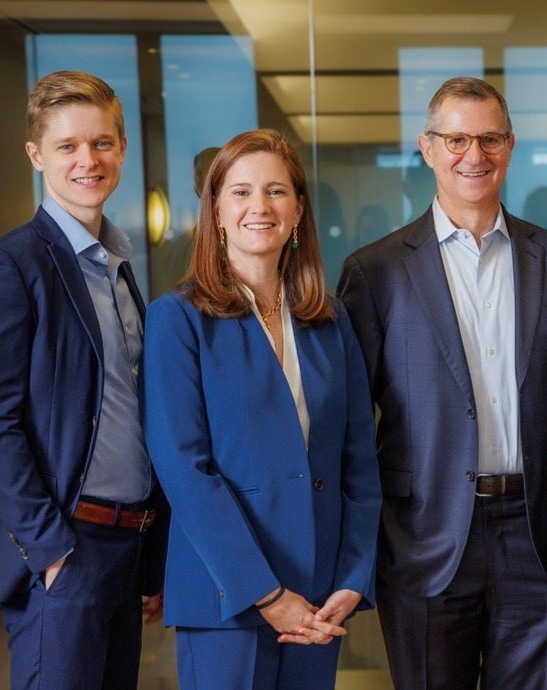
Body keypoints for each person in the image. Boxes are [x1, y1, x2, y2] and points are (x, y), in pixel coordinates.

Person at [337, 77, 547, 690]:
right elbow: (349, 422)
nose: (473, 155)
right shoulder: (375, 272)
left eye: (489, 139)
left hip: (542, 536)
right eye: (456, 139)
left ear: (510, 146)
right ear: (426, 148)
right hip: (426, 536)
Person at [142, 129, 381, 690]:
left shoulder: (329, 319)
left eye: (276, 191)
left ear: (298, 211)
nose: (260, 207)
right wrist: (267, 595)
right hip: (228, 593)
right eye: (241, 192)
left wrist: (353, 576)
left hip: (321, 593)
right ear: (217, 212)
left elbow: (359, 461)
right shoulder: (177, 319)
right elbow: (184, 470)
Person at [0, 70, 168, 690]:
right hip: (64, 546)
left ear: (122, 149)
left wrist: (148, 556)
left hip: (127, 545)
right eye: (68, 146)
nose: (88, 160)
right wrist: (50, 549)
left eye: (101, 143)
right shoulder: (9, 266)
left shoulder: (120, 270)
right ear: (36, 155)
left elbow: (131, 409)